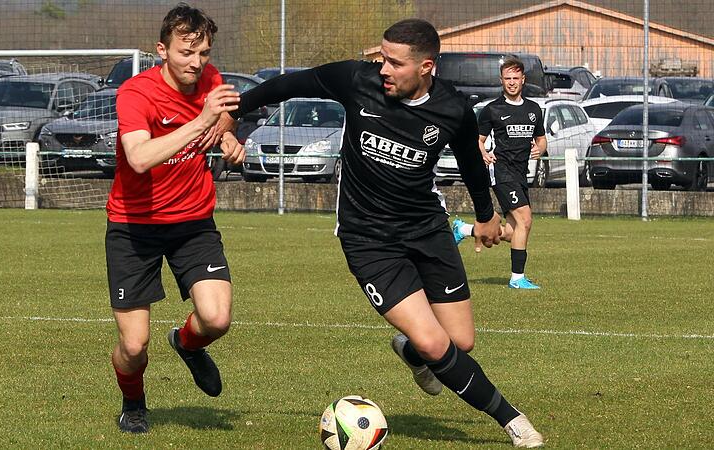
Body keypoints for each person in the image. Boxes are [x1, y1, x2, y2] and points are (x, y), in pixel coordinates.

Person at [227, 19, 543, 448]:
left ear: (426, 66)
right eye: (381, 57)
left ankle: (409, 349)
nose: (383, 69)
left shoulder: (452, 109)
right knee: (435, 344)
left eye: (394, 62)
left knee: (459, 341)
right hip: (368, 238)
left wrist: (487, 217)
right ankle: (512, 420)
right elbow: (289, 85)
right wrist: (232, 112)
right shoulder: (357, 81)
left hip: (427, 229)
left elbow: (470, 161)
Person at [105, 2, 244, 434]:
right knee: (133, 344)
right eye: (186, 53)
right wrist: (201, 119)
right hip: (134, 227)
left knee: (217, 319)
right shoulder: (135, 93)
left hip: (192, 222)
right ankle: (133, 401)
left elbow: (223, 117)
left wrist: (227, 136)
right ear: (161, 51)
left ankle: (186, 344)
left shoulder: (211, 79)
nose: (196, 63)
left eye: (203, 53)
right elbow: (140, 157)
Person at [452, 56, 547, 290]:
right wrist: (483, 153)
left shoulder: (533, 110)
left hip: (520, 173)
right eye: (507, 78)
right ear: (501, 80)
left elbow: (541, 138)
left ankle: (464, 230)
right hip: (501, 172)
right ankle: (517, 278)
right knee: (525, 219)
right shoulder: (492, 110)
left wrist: (539, 148)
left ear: (523, 80)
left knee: (515, 230)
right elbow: (477, 140)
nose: (512, 83)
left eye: (516, 78)